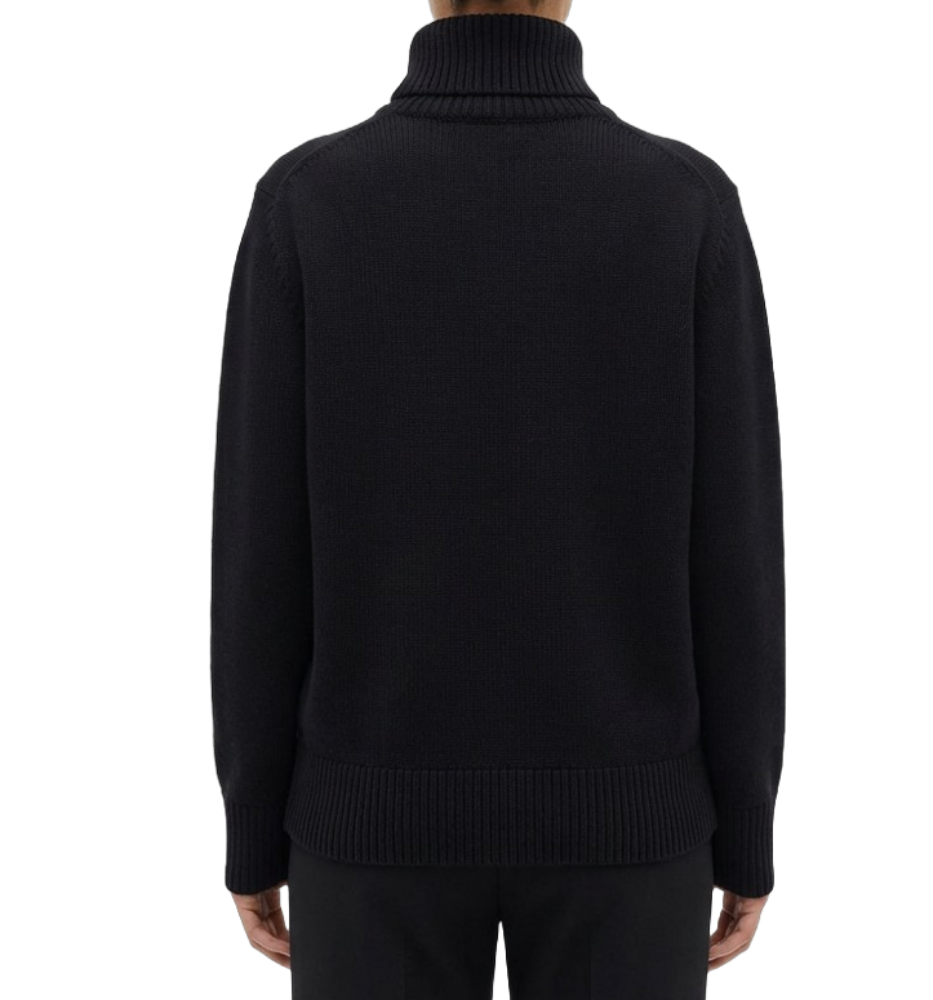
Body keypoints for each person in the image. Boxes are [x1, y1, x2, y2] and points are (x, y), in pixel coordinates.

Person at [209, 1, 786, 997]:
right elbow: (736, 550)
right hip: (631, 832)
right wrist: (746, 828)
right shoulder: (684, 199)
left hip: (368, 832)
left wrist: (251, 825)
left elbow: (259, 548)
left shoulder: (309, 196)